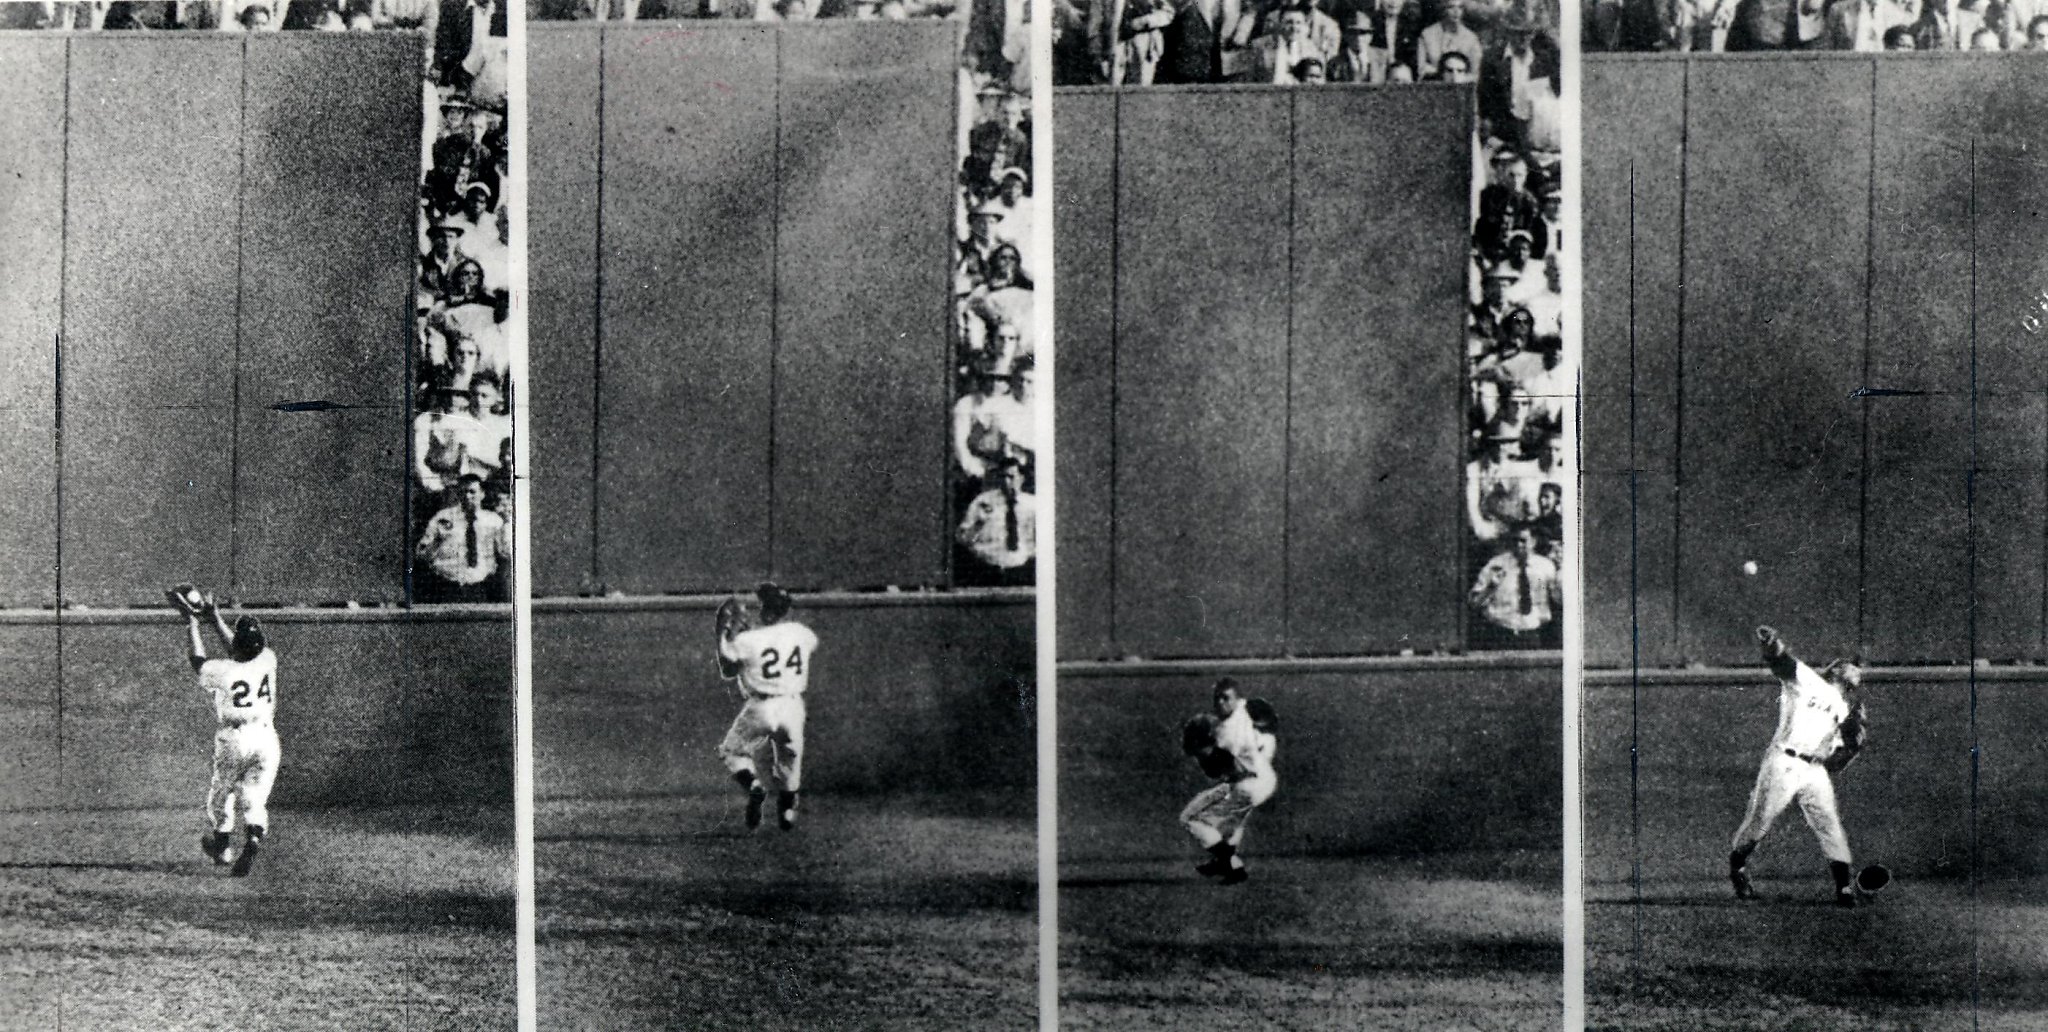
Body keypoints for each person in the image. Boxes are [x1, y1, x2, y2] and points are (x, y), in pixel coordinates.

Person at [1729, 626, 1868, 907]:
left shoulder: (1843, 709)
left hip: (1814, 771)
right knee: (1760, 821)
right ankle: (1738, 866)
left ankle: (1843, 889)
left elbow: (1838, 759)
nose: (1855, 669)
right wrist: (1771, 643)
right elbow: (1783, 661)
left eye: (1857, 668)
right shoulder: (1809, 681)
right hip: (1784, 761)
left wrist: (1855, 741)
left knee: (1829, 824)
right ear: (1835, 669)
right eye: (1849, 665)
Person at [174, 588, 279, 878]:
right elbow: (238, 647)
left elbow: (198, 661)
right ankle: (254, 835)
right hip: (267, 738)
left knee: (222, 793)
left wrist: (193, 622)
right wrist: (215, 617)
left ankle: (222, 847)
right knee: (253, 796)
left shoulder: (225, 671)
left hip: (235, 739)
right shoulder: (268, 658)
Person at [716, 583, 818, 832]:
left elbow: (728, 670)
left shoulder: (748, 640)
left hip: (762, 706)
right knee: (790, 761)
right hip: (793, 705)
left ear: (764, 608)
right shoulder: (802, 632)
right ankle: (787, 812)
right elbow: (781, 644)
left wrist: (723, 633)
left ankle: (753, 785)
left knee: (732, 752)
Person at [1180, 678, 1278, 885]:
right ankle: (1222, 860)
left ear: (1236, 699)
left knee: (1191, 819)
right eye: (1218, 698)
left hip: (1249, 785)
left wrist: (1200, 750)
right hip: (1263, 777)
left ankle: (1231, 864)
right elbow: (1268, 723)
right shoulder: (1243, 708)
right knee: (1233, 821)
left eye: (1226, 698)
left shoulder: (1226, 736)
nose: (1221, 703)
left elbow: (1217, 771)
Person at [414, 473, 508, 603]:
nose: (467, 496)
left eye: (472, 492)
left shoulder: (493, 520)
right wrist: (436, 543)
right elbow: (421, 553)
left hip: (480, 587)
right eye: (463, 492)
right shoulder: (443, 518)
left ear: (482, 494)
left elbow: (505, 552)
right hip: (447, 586)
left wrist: (507, 523)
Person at [1467, 527, 1560, 646]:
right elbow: (1474, 603)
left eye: (1523, 540)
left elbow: (1558, 600)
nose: (1518, 545)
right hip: (1500, 633)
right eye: (1514, 540)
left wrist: (1561, 574)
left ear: (1533, 541)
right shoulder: (1496, 565)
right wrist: (1491, 587)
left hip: (1533, 634)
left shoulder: (1546, 566)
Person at [956, 458, 1037, 585]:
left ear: (1021, 478)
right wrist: (979, 524)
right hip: (987, 570)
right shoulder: (983, 502)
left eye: (1011, 477)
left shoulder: (1033, 505)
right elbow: (963, 539)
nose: (1006, 482)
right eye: (1002, 477)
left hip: (1023, 571)